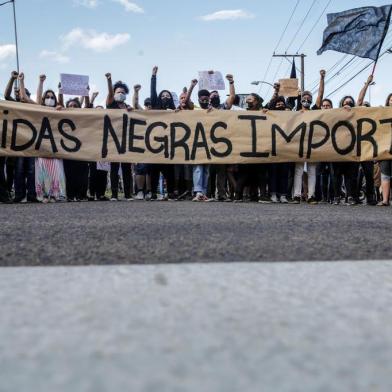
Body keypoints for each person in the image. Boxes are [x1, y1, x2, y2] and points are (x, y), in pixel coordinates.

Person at [31, 74, 66, 202]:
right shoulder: (39, 109)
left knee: (55, 169)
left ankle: (56, 194)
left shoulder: (59, 110)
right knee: (42, 170)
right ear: (43, 99)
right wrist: (41, 82)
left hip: (55, 146)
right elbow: (34, 98)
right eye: (47, 97)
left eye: (52, 97)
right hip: (42, 145)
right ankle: (44, 194)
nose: (50, 99)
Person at [292, 69, 325, 204]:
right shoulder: (295, 113)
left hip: (312, 144)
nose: (307, 99)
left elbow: (321, 95)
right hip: (299, 144)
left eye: (309, 97)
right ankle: (296, 195)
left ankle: (311, 195)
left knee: (311, 170)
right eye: (304, 97)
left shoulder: (315, 111)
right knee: (299, 169)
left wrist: (322, 78)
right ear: (300, 100)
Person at [5, 72, 37, 203]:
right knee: (18, 170)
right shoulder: (15, 105)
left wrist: (22, 82)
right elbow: (7, 95)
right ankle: (19, 195)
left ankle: (32, 195)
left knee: (31, 170)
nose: (20, 96)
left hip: (31, 143)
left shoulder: (33, 106)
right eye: (18, 95)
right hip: (18, 143)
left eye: (23, 94)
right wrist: (13, 79)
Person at [105, 73, 133, 201]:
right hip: (113, 140)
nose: (120, 93)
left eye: (122, 92)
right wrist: (109, 80)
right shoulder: (111, 104)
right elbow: (110, 94)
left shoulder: (128, 107)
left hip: (126, 141)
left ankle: (128, 194)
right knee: (114, 168)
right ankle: (114, 194)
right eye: (118, 91)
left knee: (127, 168)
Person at [208, 73, 236, 201]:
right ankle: (208, 194)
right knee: (209, 171)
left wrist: (231, 82)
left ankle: (222, 194)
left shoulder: (223, 107)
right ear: (209, 99)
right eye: (213, 95)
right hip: (208, 144)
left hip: (222, 144)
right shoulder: (205, 110)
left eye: (217, 95)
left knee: (221, 171)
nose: (216, 96)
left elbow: (232, 97)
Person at [149, 66, 176, 200]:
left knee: (169, 170)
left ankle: (170, 192)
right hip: (155, 143)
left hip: (169, 145)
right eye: (163, 95)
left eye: (168, 96)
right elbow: (153, 92)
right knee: (154, 170)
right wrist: (153, 76)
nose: (165, 97)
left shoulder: (175, 111)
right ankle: (153, 192)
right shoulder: (155, 106)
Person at [234, 93, 265, 202]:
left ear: (256, 101)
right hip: (246, 147)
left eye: (250, 99)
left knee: (258, 173)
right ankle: (238, 195)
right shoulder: (242, 113)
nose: (247, 101)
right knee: (244, 173)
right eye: (247, 100)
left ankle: (255, 195)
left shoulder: (263, 112)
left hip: (259, 147)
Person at [61, 95, 90, 202]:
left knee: (82, 173)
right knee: (69, 173)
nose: (72, 107)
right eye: (70, 105)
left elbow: (87, 106)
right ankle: (70, 195)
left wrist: (86, 93)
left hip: (82, 150)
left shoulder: (83, 116)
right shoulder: (63, 116)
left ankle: (81, 195)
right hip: (67, 149)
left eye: (75, 105)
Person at [355, 74, 377, 205]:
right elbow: (359, 100)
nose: (365, 106)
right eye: (364, 105)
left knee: (369, 175)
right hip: (356, 147)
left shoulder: (374, 117)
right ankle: (355, 196)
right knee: (355, 175)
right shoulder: (358, 113)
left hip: (368, 149)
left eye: (367, 105)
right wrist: (367, 84)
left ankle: (370, 197)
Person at [378, 93, 392, 206]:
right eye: (391, 100)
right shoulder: (380, 114)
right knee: (385, 175)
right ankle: (385, 200)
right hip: (385, 149)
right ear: (388, 101)